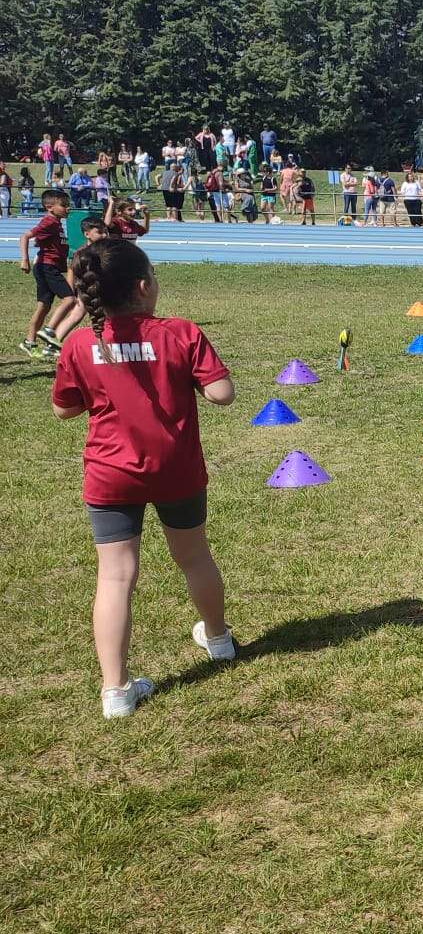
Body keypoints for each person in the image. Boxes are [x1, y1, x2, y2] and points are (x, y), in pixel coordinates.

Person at [51, 237, 238, 718]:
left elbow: (63, 409)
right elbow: (221, 394)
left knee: (115, 575)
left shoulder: (80, 342)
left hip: (110, 474)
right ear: (142, 286)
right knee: (194, 557)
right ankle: (218, 639)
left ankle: (115, 690)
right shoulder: (180, 332)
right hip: (176, 470)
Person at [20, 189, 86, 356]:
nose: (67, 209)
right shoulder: (49, 221)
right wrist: (25, 259)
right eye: (63, 205)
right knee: (70, 299)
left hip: (48, 266)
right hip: (46, 266)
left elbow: (47, 242)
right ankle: (49, 331)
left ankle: (29, 342)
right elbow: (25, 236)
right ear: (50, 207)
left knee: (43, 306)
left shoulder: (56, 223)